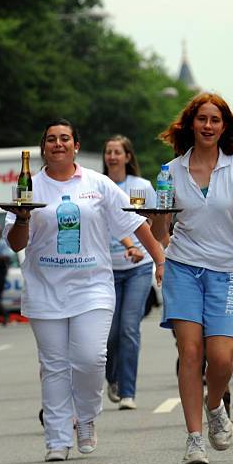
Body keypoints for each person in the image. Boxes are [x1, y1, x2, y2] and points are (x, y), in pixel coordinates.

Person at [4, 119, 165, 462]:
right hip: (45, 288)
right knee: (54, 366)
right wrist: (21, 218)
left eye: (65, 139)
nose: (58, 144)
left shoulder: (98, 184)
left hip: (92, 286)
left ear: (76, 146)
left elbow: (135, 222)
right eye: (51, 140)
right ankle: (58, 439)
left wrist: (162, 261)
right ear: (43, 148)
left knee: (90, 358)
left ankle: (87, 415)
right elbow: (16, 241)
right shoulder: (29, 186)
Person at [152, 92, 233, 464]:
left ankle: (216, 405)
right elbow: (161, 229)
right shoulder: (171, 172)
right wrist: (160, 218)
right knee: (191, 353)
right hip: (183, 266)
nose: (208, 126)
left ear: (224, 126)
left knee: (220, 358)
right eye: (202, 119)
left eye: (215, 120)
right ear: (190, 125)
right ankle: (194, 437)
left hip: (227, 269)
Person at [103, 135, 159, 410]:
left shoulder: (142, 187)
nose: (112, 156)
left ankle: (128, 391)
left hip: (138, 267)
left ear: (127, 157)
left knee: (128, 328)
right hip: (107, 268)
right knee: (110, 333)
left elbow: (153, 220)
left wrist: (156, 254)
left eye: (117, 152)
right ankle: (112, 377)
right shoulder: (98, 186)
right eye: (108, 152)